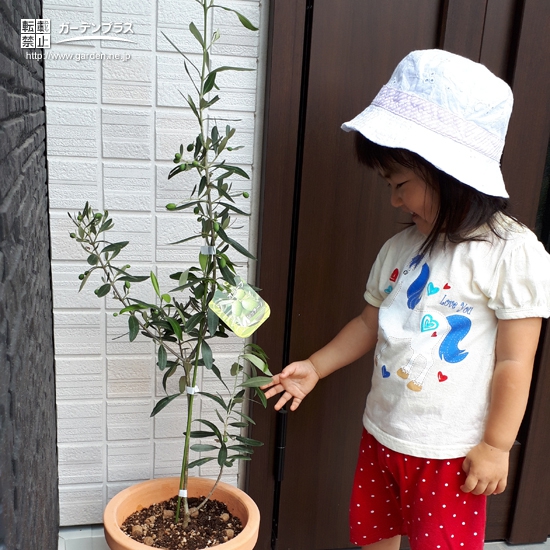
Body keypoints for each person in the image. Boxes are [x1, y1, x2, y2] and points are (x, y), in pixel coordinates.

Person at [261, 49, 550, 550]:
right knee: (376, 536)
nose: (394, 200)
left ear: (450, 174)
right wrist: (316, 365)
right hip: (382, 434)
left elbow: (514, 362)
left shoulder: (512, 253)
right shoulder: (400, 248)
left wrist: (496, 446)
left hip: (451, 454)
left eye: (400, 184)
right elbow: (370, 322)